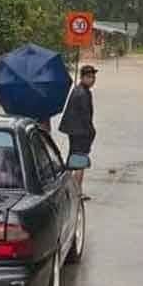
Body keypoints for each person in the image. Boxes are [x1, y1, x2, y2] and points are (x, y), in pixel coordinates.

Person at [59, 65, 98, 198]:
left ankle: (66, 187)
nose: (92, 80)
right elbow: (86, 116)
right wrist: (91, 132)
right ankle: (77, 191)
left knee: (73, 159)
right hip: (80, 132)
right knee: (80, 160)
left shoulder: (79, 90)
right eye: (89, 77)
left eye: (93, 77)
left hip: (74, 130)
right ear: (82, 78)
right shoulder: (82, 93)